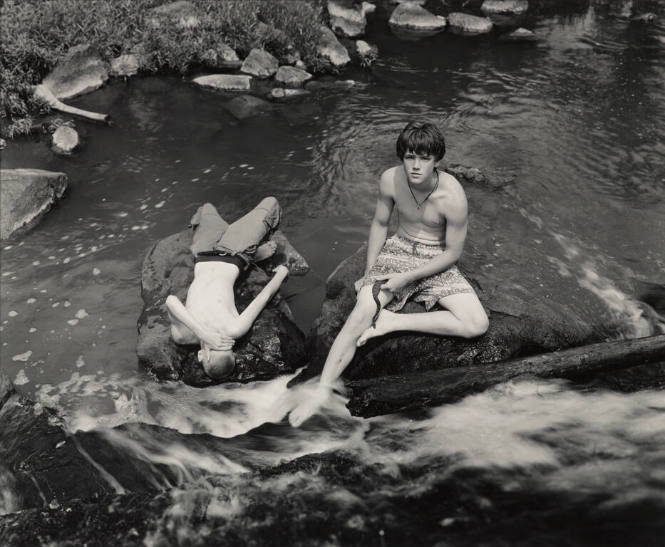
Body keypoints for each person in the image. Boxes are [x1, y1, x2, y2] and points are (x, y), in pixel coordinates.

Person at [289, 121, 489, 426]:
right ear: (402, 157)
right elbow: (381, 224)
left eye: (424, 158)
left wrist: (408, 278)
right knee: (361, 312)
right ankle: (322, 389)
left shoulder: (453, 196)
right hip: (398, 250)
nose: (416, 165)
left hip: (436, 259)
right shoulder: (390, 180)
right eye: (410, 157)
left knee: (477, 323)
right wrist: (371, 274)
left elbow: (452, 253)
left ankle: (392, 322)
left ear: (437, 160)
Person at [166, 197, 289, 379]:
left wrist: (203, 334)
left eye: (216, 346)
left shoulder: (183, 336)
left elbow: (171, 301)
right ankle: (252, 257)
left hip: (203, 252)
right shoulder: (234, 329)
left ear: (201, 355)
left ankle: (253, 256)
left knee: (206, 206)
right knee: (271, 203)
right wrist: (282, 273)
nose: (221, 342)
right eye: (227, 347)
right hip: (236, 252)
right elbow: (263, 297)